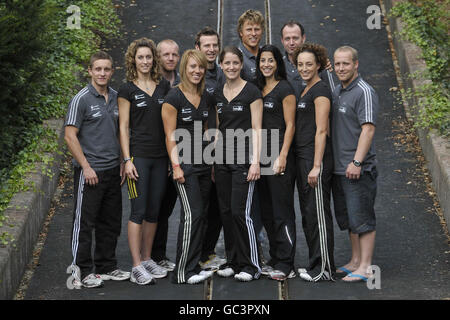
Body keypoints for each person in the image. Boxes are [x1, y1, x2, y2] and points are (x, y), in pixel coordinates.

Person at [64, 51, 130, 288]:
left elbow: (120, 131)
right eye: (98, 69)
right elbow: (70, 136)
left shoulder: (115, 97)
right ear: (90, 71)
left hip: (113, 170)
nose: (102, 73)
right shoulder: (81, 99)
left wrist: (123, 160)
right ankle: (80, 270)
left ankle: (107, 266)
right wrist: (85, 167)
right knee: (84, 223)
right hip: (90, 172)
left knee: (110, 221)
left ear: (112, 71)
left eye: (107, 69)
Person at [118, 38, 170, 285]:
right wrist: (127, 160)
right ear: (133, 60)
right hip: (138, 159)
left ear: (154, 60)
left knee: (153, 211)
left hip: (160, 159)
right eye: (141, 57)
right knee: (137, 211)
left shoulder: (163, 88)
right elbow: (123, 126)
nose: (145, 61)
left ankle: (148, 258)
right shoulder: (127, 90)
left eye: (149, 57)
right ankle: (136, 265)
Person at [161, 49, 215, 284]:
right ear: (184, 68)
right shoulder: (173, 98)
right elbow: (169, 136)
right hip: (184, 165)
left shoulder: (206, 96)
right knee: (192, 215)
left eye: (200, 67)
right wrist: (176, 166)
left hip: (203, 164)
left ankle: (193, 266)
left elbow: (208, 131)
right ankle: (182, 271)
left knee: (201, 215)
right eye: (192, 67)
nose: (197, 71)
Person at [214, 46, 263, 282]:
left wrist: (255, 162)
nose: (231, 67)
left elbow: (257, 128)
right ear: (221, 65)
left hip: (244, 161)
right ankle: (233, 261)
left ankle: (251, 264)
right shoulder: (217, 92)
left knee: (240, 212)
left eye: (235, 63)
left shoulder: (252, 92)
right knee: (225, 212)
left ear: (241, 64)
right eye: (227, 63)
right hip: (222, 161)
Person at [331, 46, 379, 282]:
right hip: (340, 167)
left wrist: (357, 161)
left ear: (356, 64)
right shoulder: (339, 91)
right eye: (337, 64)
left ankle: (367, 267)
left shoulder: (364, 91)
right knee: (350, 217)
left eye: (345, 64)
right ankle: (355, 260)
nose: (341, 68)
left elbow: (368, 129)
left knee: (362, 217)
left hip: (358, 167)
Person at [293, 43, 336, 282]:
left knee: (318, 213)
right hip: (303, 157)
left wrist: (317, 165)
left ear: (318, 64)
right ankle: (313, 264)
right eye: (300, 64)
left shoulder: (320, 91)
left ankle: (324, 268)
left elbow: (322, 130)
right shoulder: (305, 88)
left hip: (315, 159)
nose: (304, 68)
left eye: (309, 64)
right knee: (309, 213)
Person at [255, 45, 297, 281]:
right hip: (261, 158)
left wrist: (282, 156)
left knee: (282, 211)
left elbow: (290, 125)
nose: (266, 64)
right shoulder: (257, 88)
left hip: (279, 158)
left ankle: (286, 261)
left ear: (277, 62)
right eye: (263, 60)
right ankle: (274, 255)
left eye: (271, 60)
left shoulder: (285, 89)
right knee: (267, 212)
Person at [194, 26, 227, 270]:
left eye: (215, 45)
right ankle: (193, 255)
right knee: (198, 206)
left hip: (219, 146)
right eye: (206, 45)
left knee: (216, 205)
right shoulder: (193, 74)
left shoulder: (223, 73)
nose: (211, 49)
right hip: (194, 149)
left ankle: (207, 252)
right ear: (197, 48)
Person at [150, 39, 181, 272]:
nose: (170, 58)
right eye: (166, 54)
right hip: (155, 156)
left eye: (174, 54)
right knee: (153, 207)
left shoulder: (184, 83)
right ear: (157, 57)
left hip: (179, 155)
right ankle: (147, 256)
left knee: (168, 207)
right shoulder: (152, 85)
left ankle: (159, 255)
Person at [280, 20, 335, 97]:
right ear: (282, 40)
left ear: (303, 38)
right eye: (287, 39)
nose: (291, 43)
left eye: (295, 38)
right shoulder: (278, 65)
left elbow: (332, 96)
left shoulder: (320, 64)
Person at [237, 9, 265, 84]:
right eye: (249, 30)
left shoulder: (266, 53)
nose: (253, 33)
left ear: (262, 31)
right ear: (241, 32)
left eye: (257, 29)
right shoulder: (236, 57)